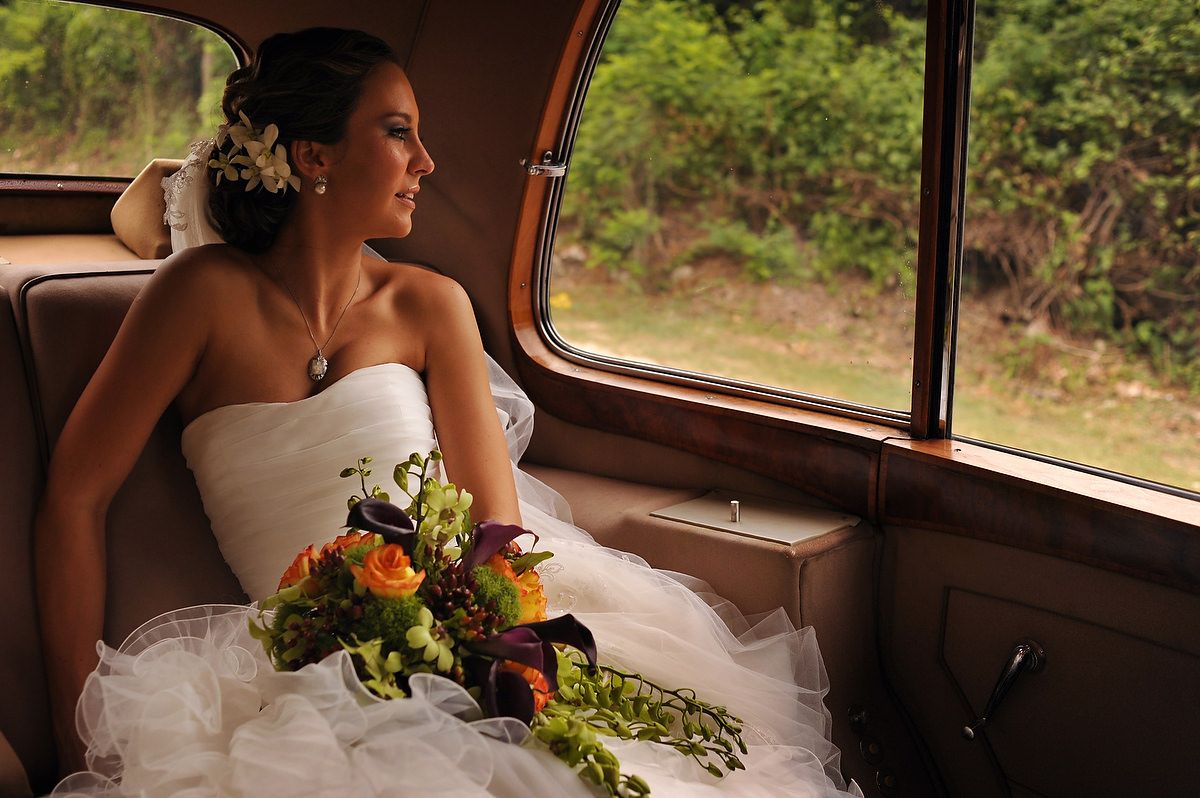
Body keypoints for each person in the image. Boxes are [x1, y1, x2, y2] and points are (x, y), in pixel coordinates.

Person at [35, 28, 861, 797]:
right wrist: (79, 736)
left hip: (459, 631)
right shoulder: (197, 295)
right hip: (290, 670)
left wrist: (471, 653)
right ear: (314, 155)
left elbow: (501, 533)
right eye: (399, 133)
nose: (426, 163)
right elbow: (74, 500)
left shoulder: (431, 305)